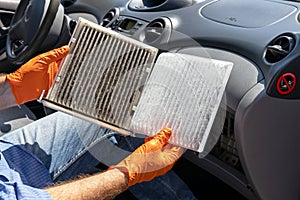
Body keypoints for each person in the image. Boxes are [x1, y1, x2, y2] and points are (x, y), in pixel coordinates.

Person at [0, 46, 196, 199]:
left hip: (7, 159)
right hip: (24, 191)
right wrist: (127, 173)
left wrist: (11, 88)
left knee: (115, 112)